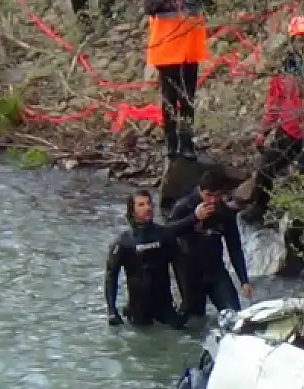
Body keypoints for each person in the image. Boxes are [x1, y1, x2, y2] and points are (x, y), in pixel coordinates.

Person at [240, 15, 304, 225]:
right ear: (292, 41)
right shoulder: (285, 68)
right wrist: (264, 131)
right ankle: (259, 208)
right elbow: (275, 102)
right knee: (267, 168)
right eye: (300, 39)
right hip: (289, 129)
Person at [104, 190, 215, 327]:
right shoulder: (123, 242)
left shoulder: (164, 235)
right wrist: (111, 310)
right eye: (141, 204)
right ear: (132, 212)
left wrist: (186, 302)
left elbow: (180, 268)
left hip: (165, 307)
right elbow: (111, 275)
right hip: (138, 310)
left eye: (149, 203)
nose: (148, 208)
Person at [168, 171, 253, 318]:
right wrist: (194, 218)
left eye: (217, 196)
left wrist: (244, 280)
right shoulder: (183, 206)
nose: (212, 200)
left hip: (216, 271)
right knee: (194, 321)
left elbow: (234, 247)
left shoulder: (224, 212)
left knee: (234, 316)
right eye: (209, 195)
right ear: (200, 190)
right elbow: (166, 233)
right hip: (189, 273)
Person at [144, 0, 211, 160]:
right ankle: (171, 143)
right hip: (167, 49)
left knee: (188, 99)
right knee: (170, 99)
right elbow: (149, 8)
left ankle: (187, 143)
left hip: (190, 49)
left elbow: (209, 5)